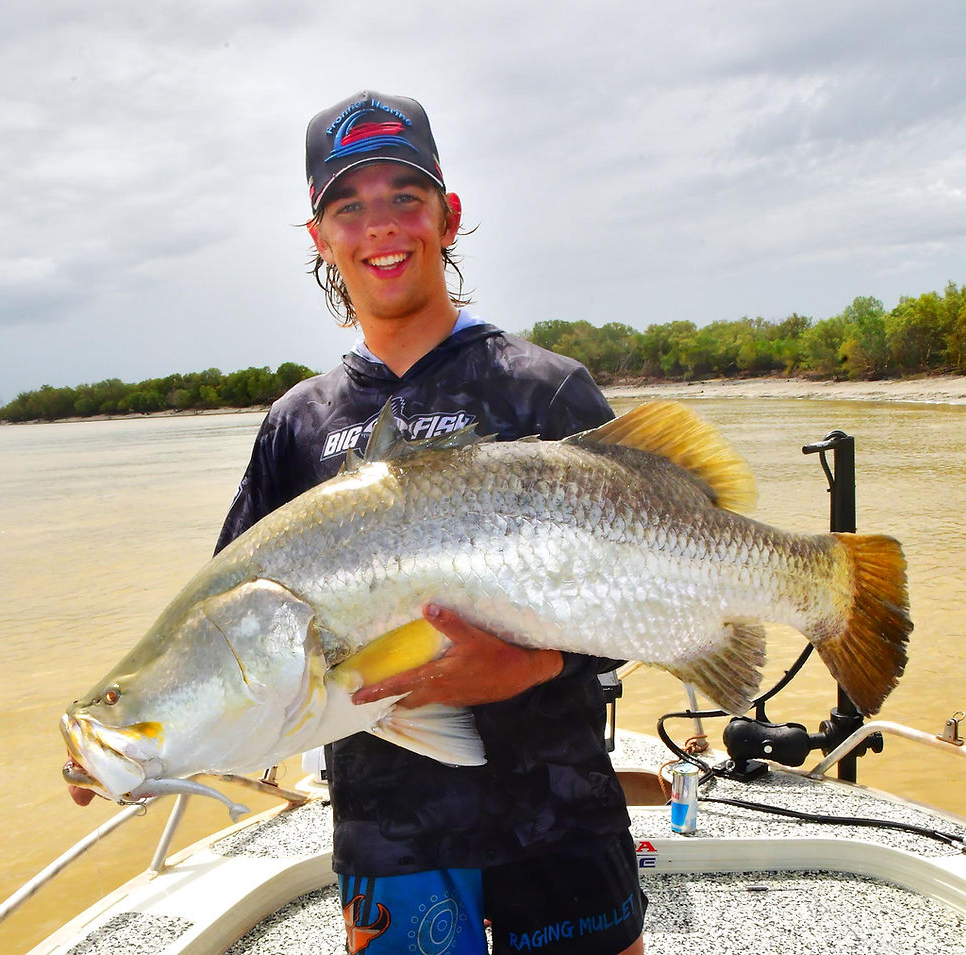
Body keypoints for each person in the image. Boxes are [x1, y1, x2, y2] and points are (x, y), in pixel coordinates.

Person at [81, 89, 647, 954]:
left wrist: (532, 663)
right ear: (319, 238)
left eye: (404, 198)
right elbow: (230, 630)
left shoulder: (547, 390)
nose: (379, 225)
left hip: (560, 814)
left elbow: (653, 588)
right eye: (349, 207)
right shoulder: (296, 426)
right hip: (392, 837)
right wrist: (132, 734)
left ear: (448, 216)